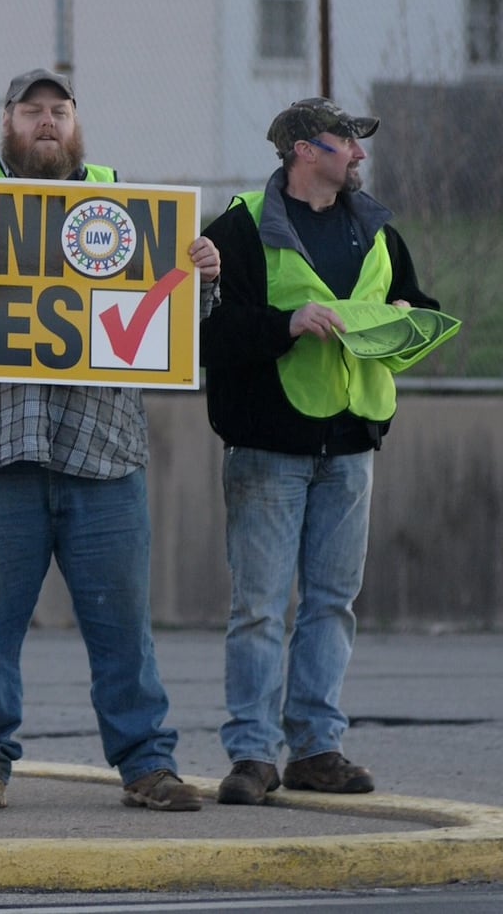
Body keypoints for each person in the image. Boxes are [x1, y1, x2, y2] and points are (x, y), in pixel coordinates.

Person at [0, 68, 220, 813]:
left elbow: (183, 318)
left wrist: (204, 279)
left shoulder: (125, 205)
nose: (48, 122)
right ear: (7, 123)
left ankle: (148, 765)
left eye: (60, 110)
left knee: (125, 628)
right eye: (33, 111)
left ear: (76, 123)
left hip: (102, 456)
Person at [199, 98, 439, 805]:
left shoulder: (377, 230)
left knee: (332, 604)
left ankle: (316, 749)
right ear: (305, 149)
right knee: (259, 609)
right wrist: (287, 324)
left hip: (351, 443)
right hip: (267, 448)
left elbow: (417, 306)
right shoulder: (239, 229)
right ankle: (251, 755)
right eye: (347, 142)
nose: (360, 155)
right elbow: (203, 338)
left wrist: (408, 321)